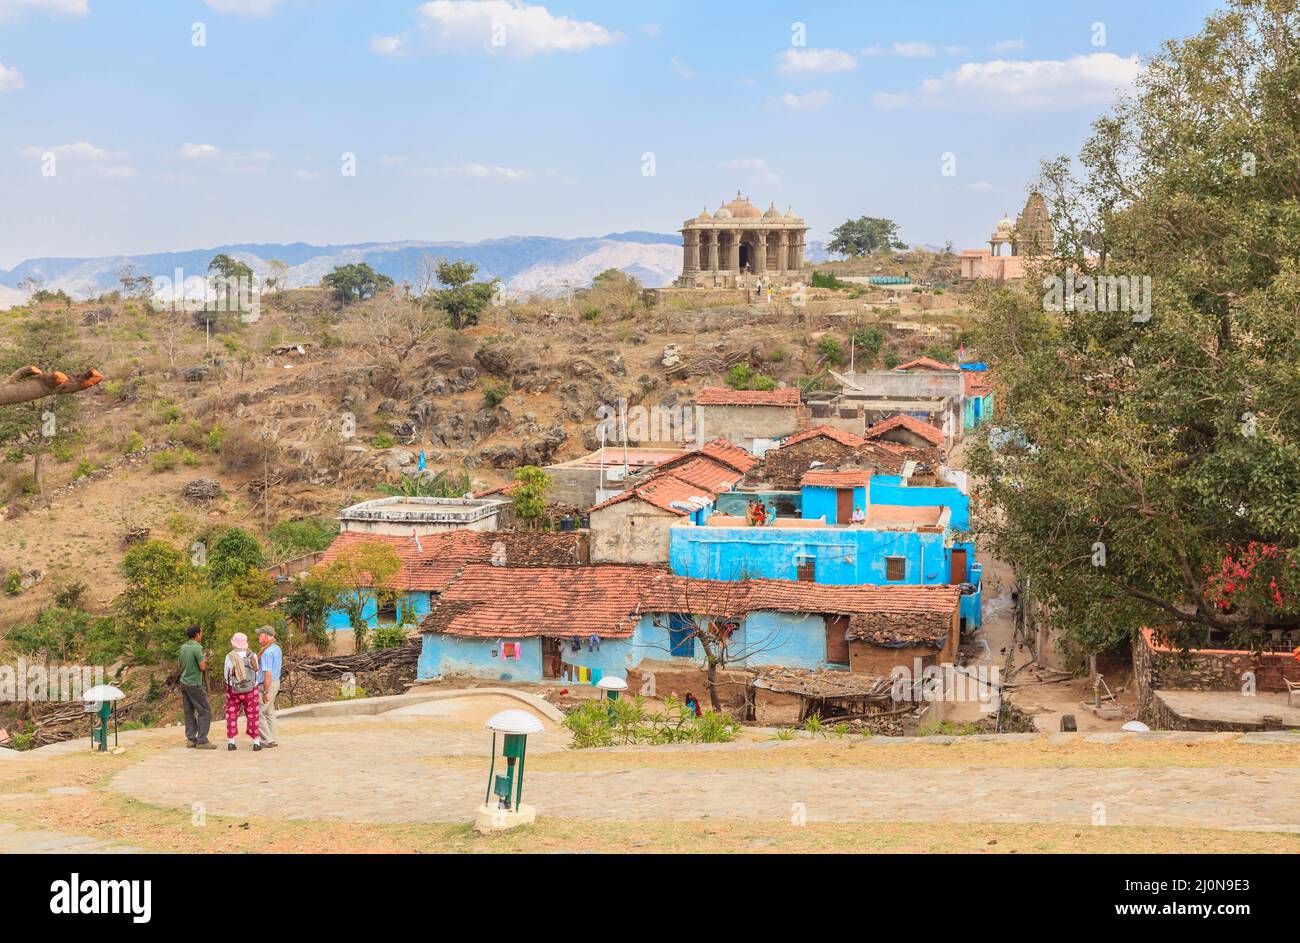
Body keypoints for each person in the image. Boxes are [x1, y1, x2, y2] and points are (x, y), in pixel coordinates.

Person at [223, 633, 262, 751]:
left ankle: (231, 742)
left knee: (231, 714)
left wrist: (230, 684)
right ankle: (256, 742)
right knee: (253, 715)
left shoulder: (229, 656)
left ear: (233, 643)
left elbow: (226, 675)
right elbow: (256, 672)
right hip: (251, 690)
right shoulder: (252, 655)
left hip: (233, 690)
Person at [179, 625, 215, 749]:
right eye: (201, 633)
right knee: (205, 711)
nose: (202, 635)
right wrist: (206, 659)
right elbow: (202, 667)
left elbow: (181, 664)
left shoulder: (183, 647)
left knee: (189, 711)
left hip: (183, 682)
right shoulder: (197, 648)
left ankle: (191, 739)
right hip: (194, 683)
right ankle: (202, 740)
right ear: (197, 634)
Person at [257, 626, 282, 749]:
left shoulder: (267, 653)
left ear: (266, 636)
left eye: (260, 635)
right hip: (275, 682)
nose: (258, 637)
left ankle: (267, 739)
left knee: (258, 712)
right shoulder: (276, 648)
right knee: (269, 711)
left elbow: (267, 673)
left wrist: (266, 691)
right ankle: (273, 738)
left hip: (268, 684)